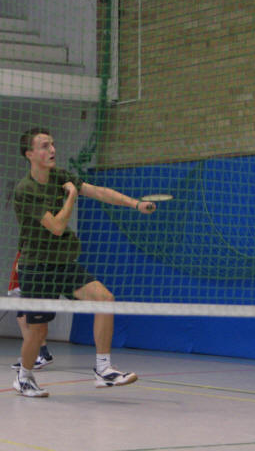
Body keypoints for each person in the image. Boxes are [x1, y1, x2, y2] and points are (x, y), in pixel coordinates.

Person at [12, 127, 156, 398]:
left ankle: (103, 369)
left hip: (63, 263)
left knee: (105, 298)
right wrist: (70, 196)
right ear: (29, 154)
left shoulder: (61, 176)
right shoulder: (25, 190)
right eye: (44, 146)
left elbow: (99, 192)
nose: (52, 150)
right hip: (37, 267)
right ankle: (24, 377)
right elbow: (56, 226)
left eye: (52, 144)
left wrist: (135, 204)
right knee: (37, 332)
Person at [7, 251, 54, 370]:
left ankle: (36, 355)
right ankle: (39, 354)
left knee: (29, 319)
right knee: (23, 317)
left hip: (32, 277)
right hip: (27, 277)